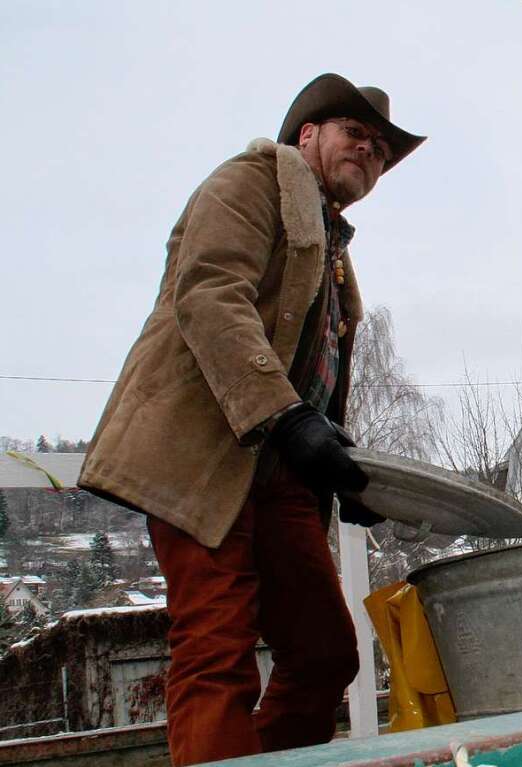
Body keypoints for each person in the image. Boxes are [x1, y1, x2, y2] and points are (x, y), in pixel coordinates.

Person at [79, 74, 426, 766]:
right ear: (306, 136)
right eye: (355, 134)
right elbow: (209, 295)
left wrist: (345, 471)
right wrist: (290, 419)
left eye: (382, 150)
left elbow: (315, 378)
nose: (370, 151)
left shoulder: (334, 255)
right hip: (203, 455)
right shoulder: (250, 181)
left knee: (327, 649)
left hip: (279, 474)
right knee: (216, 647)